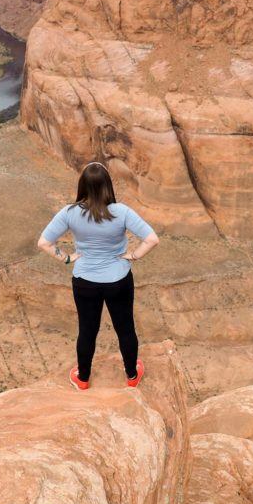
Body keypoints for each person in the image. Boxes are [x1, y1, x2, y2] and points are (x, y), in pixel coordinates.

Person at [37, 162, 160, 390]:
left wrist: (66, 258)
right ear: (107, 186)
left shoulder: (70, 213)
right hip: (118, 280)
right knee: (125, 328)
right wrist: (133, 255)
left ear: (82, 185)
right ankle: (132, 375)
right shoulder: (121, 212)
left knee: (87, 330)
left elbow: (44, 242)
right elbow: (152, 239)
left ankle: (83, 378)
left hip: (85, 282)